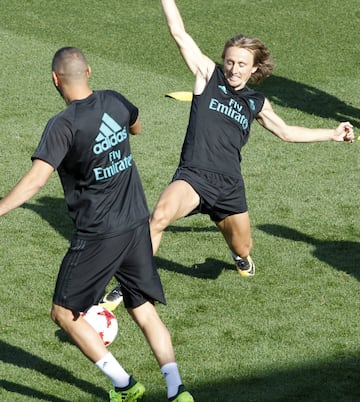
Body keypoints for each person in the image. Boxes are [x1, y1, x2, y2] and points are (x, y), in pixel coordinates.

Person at [0, 47, 194, 402]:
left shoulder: (63, 125)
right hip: (137, 224)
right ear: (88, 71)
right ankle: (177, 390)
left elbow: (36, 181)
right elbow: (135, 124)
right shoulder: (115, 101)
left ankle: (125, 385)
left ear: (55, 79)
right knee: (142, 309)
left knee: (64, 313)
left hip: (99, 235)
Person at [148, 0, 355, 276]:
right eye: (230, 61)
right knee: (158, 218)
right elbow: (178, 32)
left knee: (243, 246)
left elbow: (286, 132)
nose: (234, 69)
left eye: (242, 64)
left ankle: (238, 255)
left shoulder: (256, 102)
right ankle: (133, 284)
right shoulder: (209, 76)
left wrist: (332, 134)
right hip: (194, 176)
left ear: (255, 68)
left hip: (229, 185)